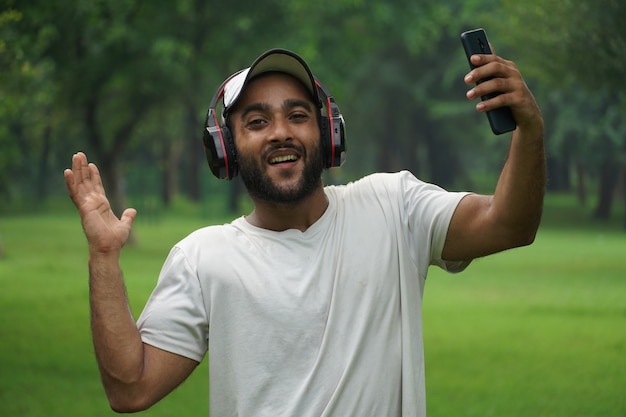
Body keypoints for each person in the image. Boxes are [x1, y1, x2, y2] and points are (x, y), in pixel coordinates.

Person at [64, 47, 545, 416]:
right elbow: (130, 388)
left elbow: (509, 223)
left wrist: (529, 127)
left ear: (328, 133)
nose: (281, 132)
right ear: (225, 149)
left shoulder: (393, 206)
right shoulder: (203, 258)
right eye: (256, 122)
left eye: (297, 115)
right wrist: (103, 256)